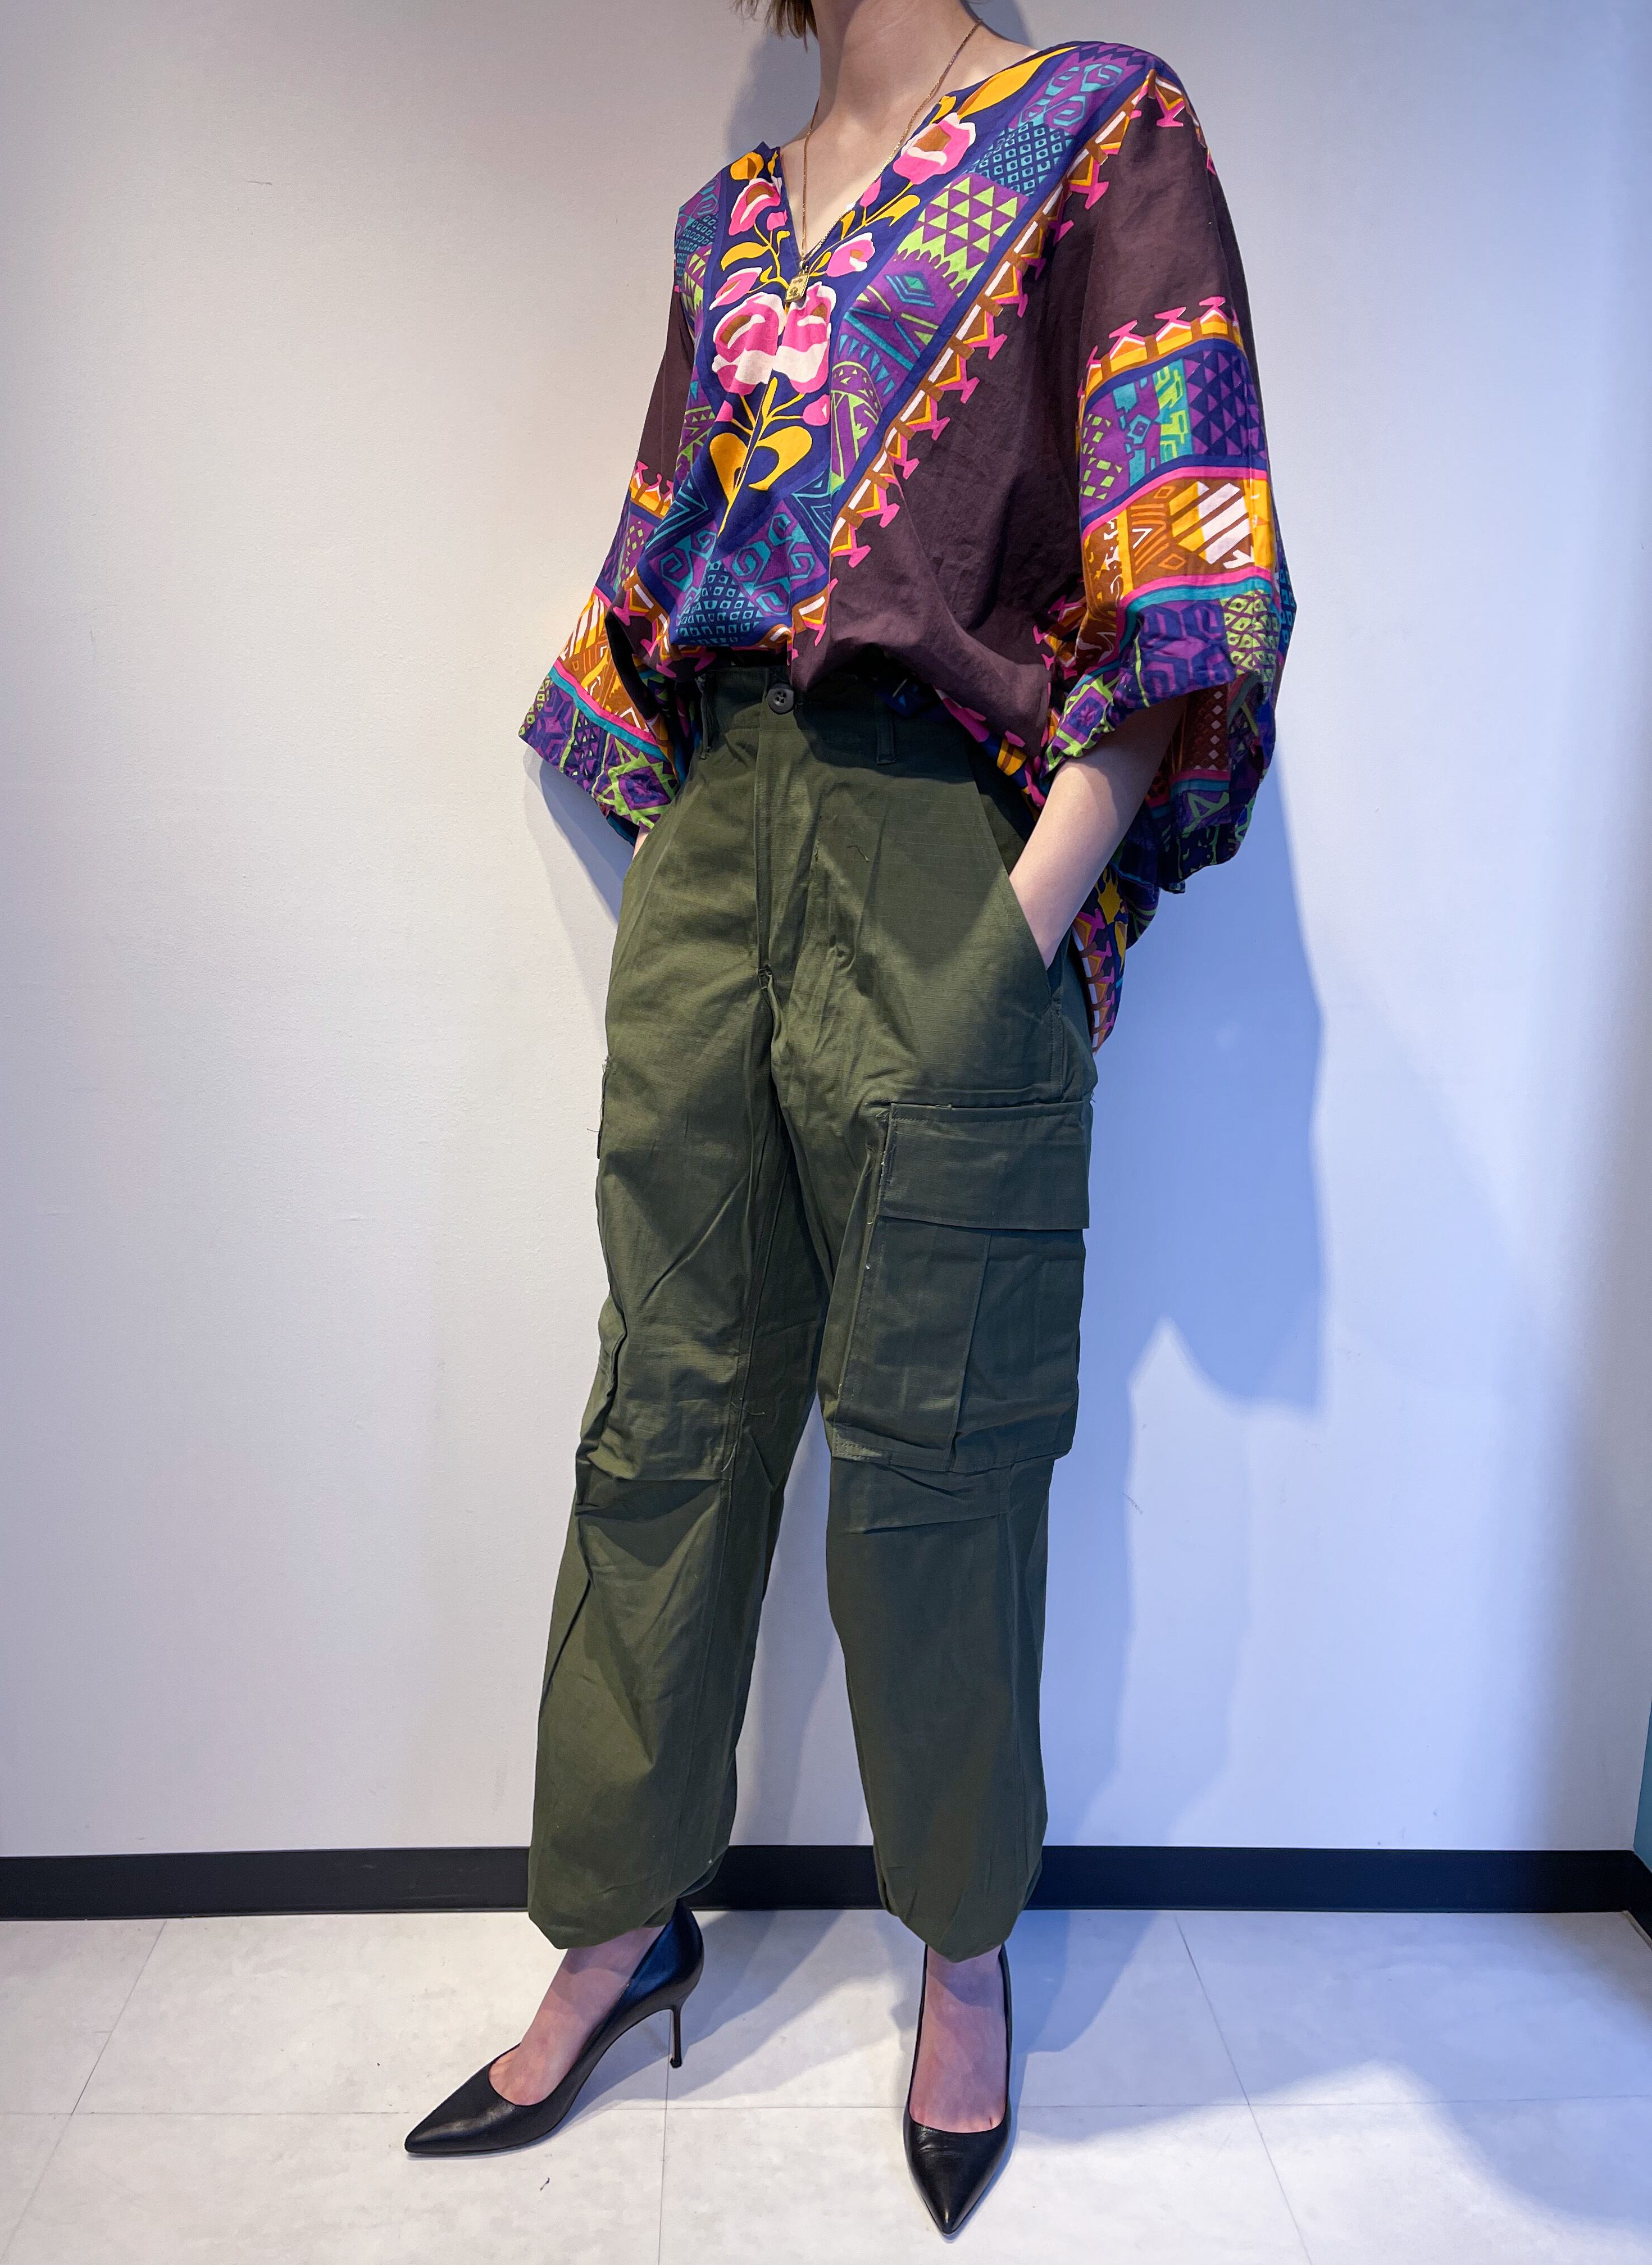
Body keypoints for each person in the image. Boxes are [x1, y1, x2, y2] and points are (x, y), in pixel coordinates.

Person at [407, 0, 1291, 2234]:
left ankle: (961, 1951)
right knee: (665, 1412)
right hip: (722, 840)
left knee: (944, 1437)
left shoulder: (1100, 130)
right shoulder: (724, 226)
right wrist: (693, 879)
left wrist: (1015, 932)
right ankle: (618, 1918)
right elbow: (650, 597)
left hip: (942, 849)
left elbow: (1182, 564)